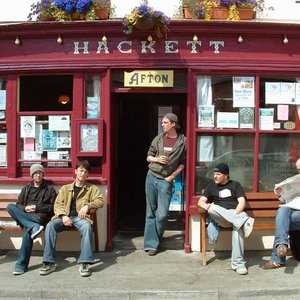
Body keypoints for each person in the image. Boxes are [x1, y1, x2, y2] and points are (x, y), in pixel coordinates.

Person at [39, 160, 104, 277]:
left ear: (88, 174)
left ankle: (84, 262)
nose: (83, 174)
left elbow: (100, 201)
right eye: (81, 171)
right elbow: (57, 204)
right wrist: (63, 216)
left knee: (86, 227)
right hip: (65, 217)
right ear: (75, 171)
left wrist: (87, 206)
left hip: (80, 218)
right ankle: (48, 262)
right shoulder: (65, 188)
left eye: (85, 172)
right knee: (50, 226)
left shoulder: (92, 189)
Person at [197, 163, 255, 275]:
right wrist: (206, 206)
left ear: (226, 175)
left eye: (218, 174)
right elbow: (201, 202)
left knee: (238, 227)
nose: (215, 176)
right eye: (214, 174)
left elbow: (242, 203)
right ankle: (243, 221)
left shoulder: (235, 185)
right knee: (212, 207)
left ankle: (238, 265)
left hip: (235, 214)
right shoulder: (211, 186)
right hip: (221, 218)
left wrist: (235, 216)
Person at [144, 113, 186, 256]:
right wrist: (156, 159)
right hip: (151, 177)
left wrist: (172, 176)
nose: (162, 125)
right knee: (151, 212)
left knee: (162, 214)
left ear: (173, 124)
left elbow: (183, 163)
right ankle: (152, 244)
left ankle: (154, 239)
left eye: (165, 122)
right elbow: (148, 157)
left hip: (166, 180)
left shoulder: (183, 141)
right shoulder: (158, 139)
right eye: (162, 122)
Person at [6, 163, 57, 275]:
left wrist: (36, 207)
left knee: (27, 232)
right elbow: (18, 205)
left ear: (43, 174)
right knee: (10, 207)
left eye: (40, 173)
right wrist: (25, 207)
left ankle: (21, 265)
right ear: (32, 175)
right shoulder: (26, 188)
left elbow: (53, 208)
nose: (38, 175)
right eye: (35, 173)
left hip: (40, 217)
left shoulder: (50, 189)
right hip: (27, 216)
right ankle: (32, 226)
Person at [262, 158, 300, 269]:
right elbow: (286, 201)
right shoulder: (295, 180)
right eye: (298, 170)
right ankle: (281, 245)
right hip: (293, 210)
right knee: (283, 210)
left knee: (282, 222)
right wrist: (279, 195)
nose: (299, 172)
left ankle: (277, 260)